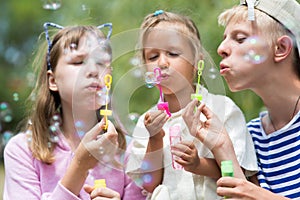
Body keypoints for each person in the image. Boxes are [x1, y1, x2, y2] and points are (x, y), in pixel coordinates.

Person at [3, 23, 146, 200]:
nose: (93, 71)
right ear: (53, 80)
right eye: (78, 62)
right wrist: (80, 165)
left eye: (101, 63)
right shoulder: (23, 150)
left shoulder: (130, 153)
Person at [126, 10, 258, 200]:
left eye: (172, 53)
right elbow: (148, 183)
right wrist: (154, 138)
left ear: (197, 61)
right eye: (153, 56)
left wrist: (198, 164)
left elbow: (240, 169)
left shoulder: (222, 108)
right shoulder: (146, 122)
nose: (162, 62)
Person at [187, 0, 300, 199]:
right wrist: (221, 145)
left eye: (240, 39)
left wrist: (258, 195)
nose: (221, 48)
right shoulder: (252, 133)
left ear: (281, 48)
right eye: (224, 39)